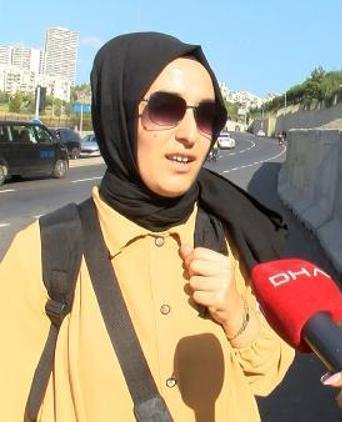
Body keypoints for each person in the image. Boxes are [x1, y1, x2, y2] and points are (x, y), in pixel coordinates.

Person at [0, 32, 294, 420]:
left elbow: (267, 376)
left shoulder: (229, 238)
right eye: (166, 109)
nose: (190, 133)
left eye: (206, 115)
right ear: (118, 115)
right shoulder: (44, 254)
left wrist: (237, 316)